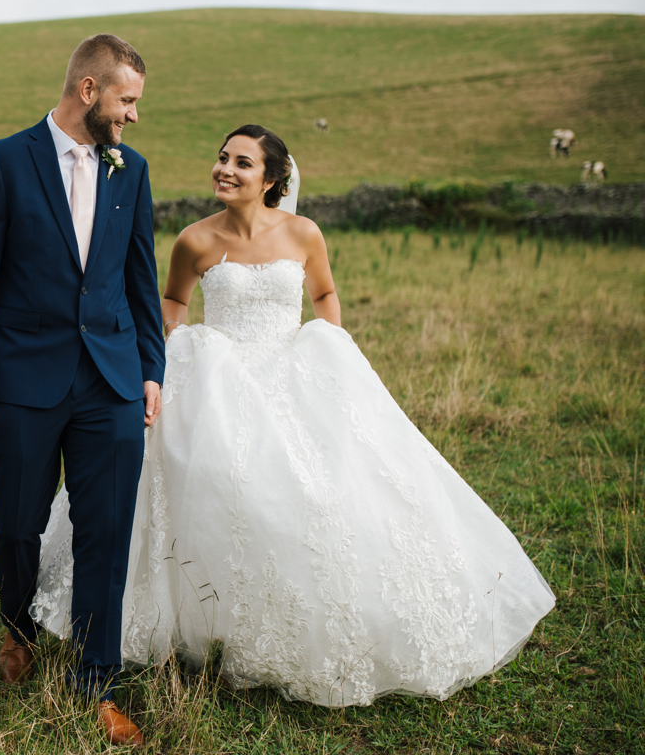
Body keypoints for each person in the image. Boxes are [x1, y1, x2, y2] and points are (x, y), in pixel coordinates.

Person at [32, 124, 555, 707]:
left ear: (273, 178)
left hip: (292, 367)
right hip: (217, 371)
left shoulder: (304, 233)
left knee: (321, 492)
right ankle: (201, 619)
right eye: (222, 157)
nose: (225, 169)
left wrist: (328, 346)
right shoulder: (196, 240)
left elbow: (325, 294)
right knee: (213, 483)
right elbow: (174, 301)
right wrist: (171, 345)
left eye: (243, 163)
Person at [0, 34, 165, 744]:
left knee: (106, 532)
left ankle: (97, 682)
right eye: (127, 100)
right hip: (22, 378)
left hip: (111, 381)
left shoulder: (131, 173)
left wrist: (152, 371)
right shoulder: (5, 163)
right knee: (15, 522)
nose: (134, 116)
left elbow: (140, 280)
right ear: (89, 92)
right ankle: (17, 628)